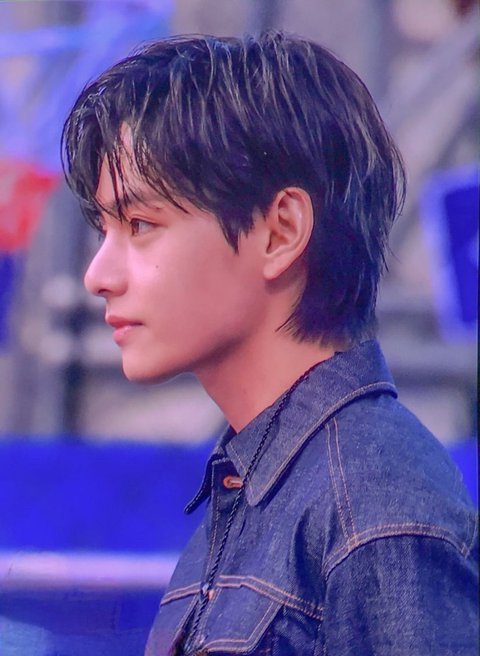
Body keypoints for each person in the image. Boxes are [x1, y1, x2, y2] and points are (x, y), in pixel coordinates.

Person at [61, 31, 478, 656]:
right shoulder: (255, 487)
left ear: (281, 232)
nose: (98, 275)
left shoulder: (374, 507)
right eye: (104, 229)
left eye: (140, 224)